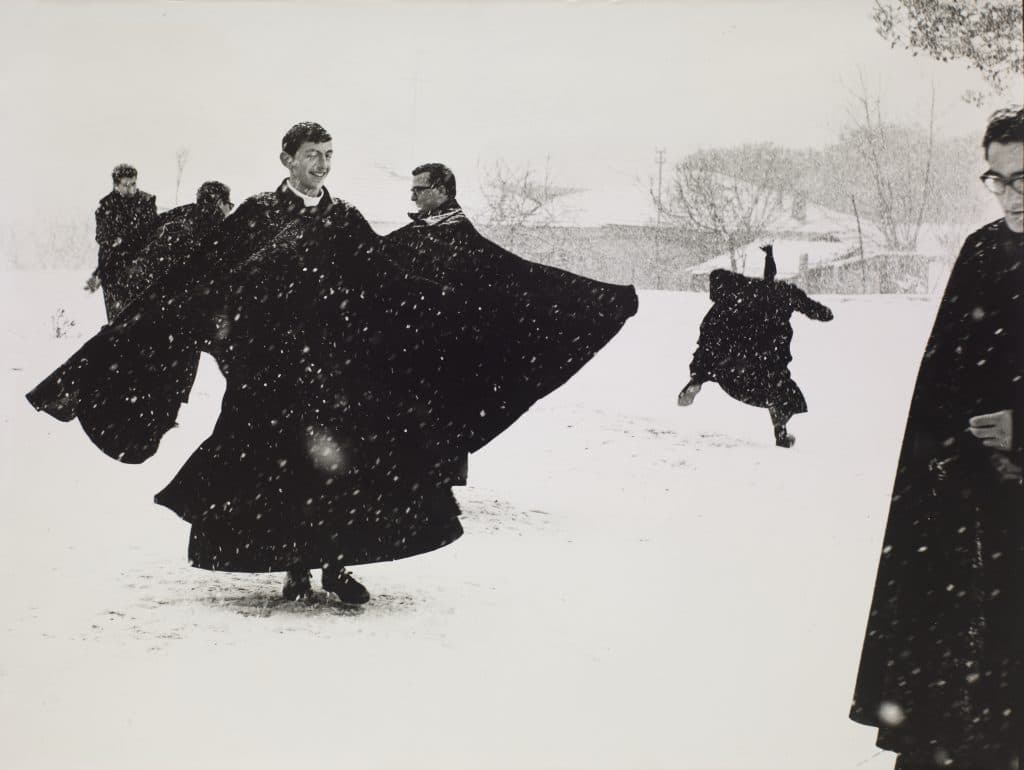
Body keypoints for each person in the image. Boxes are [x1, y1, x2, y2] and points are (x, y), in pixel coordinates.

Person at [849, 107, 1023, 770]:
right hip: (972, 520)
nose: (1010, 196)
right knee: (953, 711)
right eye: (997, 179)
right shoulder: (983, 250)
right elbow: (943, 381)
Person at [384, 162, 640, 464]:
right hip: (409, 354)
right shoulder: (411, 236)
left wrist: (602, 300)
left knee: (437, 427)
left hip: (447, 358)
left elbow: (523, 279)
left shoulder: (464, 244)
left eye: (419, 190)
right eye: (411, 190)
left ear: (441, 191)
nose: (412, 197)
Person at [676, 245, 833, 447]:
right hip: (768, 361)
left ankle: (699, 380)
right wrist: (822, 311)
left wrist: (698, 374)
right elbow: (820, 313)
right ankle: (781, 432)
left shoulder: (726, 304)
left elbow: (707, 340)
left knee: (715, 355)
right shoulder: (781, 292)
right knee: (779, 393)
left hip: (731, 366)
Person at [121, 181, 233, 307]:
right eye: (230, 205)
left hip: (141, 293)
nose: (229, 211)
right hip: (163, 300)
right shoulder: (206, 223)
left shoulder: (181, 214)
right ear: (219, 203)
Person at [88, 163, 158, 320]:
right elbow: (103, 236)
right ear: (116, 185)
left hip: (142, 267)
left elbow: (151, 232)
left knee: (143, 319)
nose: (131, 189)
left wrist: (124, 238)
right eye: (126, 185)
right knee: (116, 320)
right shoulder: (106, 205)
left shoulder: (146, 201)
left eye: (133, 183)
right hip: (113, 269)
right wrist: (120, 240)